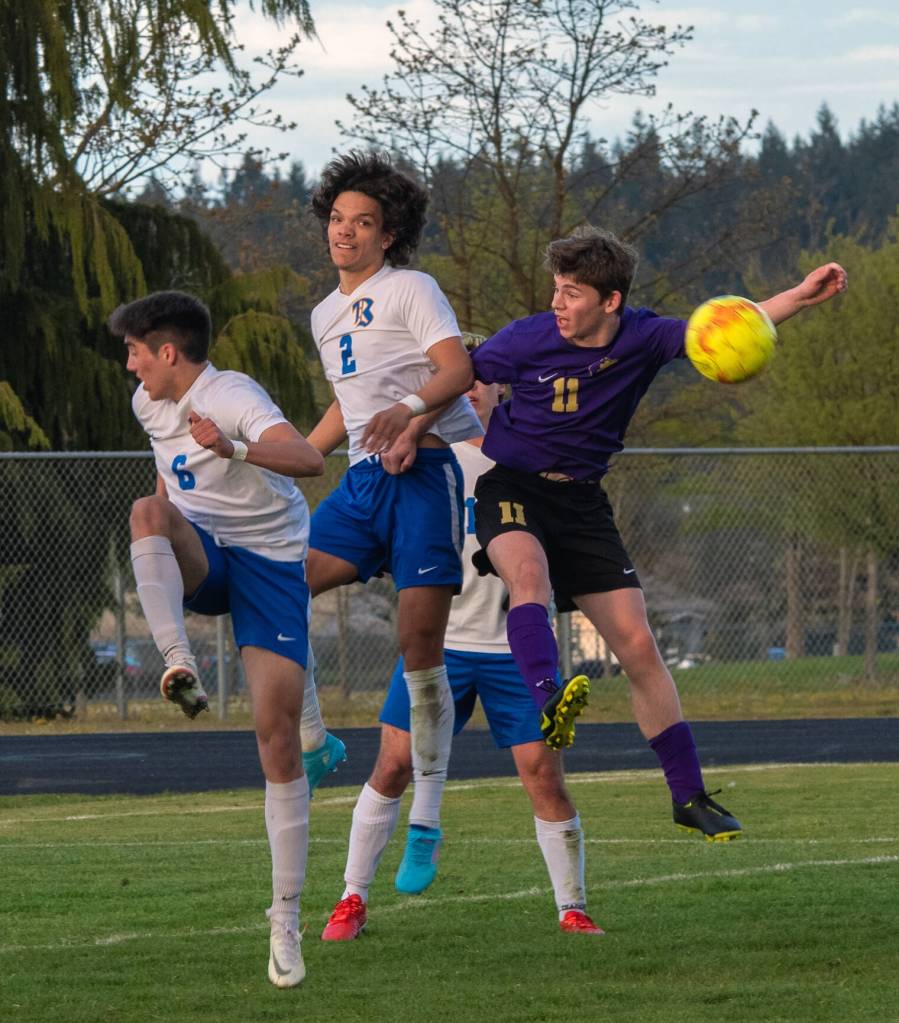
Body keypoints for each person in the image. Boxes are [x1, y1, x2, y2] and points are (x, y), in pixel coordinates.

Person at [469, 227, 849, 839]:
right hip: (513, 486)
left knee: (641, 647)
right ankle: (548, 698)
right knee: (528, 576)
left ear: (610, 300)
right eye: (555, 290)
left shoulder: (644, 334)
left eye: (571, 293)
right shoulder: (525, 338)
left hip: (584, 504)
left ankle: (688, 795)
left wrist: (800, 297)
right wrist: (409, 425)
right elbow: (453, 374)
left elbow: (726, 328)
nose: (558, 304)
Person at [319, 358, 603, 940]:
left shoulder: (529, 464)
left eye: (479, 381)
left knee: (542, 776)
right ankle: (351, 898)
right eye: (459, 381)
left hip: (512, 653)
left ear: (502, 388)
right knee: (392, 765)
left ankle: (572, 907)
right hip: (439, 646)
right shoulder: (421, 459)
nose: (470, 391)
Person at [113, 289, 344, 989]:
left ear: (169, 352)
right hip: (208, 554)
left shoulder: (233, 393)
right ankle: (178, 661)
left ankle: (285, 919)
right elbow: (168, 474)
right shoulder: (147, 404)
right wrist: (175, 536)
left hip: (271, 568)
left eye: (135, 352)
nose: (130, 365)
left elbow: (309, 460)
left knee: (273, 736)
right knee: (147, 507)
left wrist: (235, 445)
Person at [304, 152, 482, 850]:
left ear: (387, 235)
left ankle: (427, 811)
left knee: (417, 646)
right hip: (364, 482)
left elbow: (456, 369)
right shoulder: (324, 313)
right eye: (338, 219)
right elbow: (345, 408)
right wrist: (284, 452)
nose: (344, 232)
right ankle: (316, 740)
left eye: (363, 222)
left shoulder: (410, 287)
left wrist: (411, 418)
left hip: (425, 474)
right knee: (279, 588)